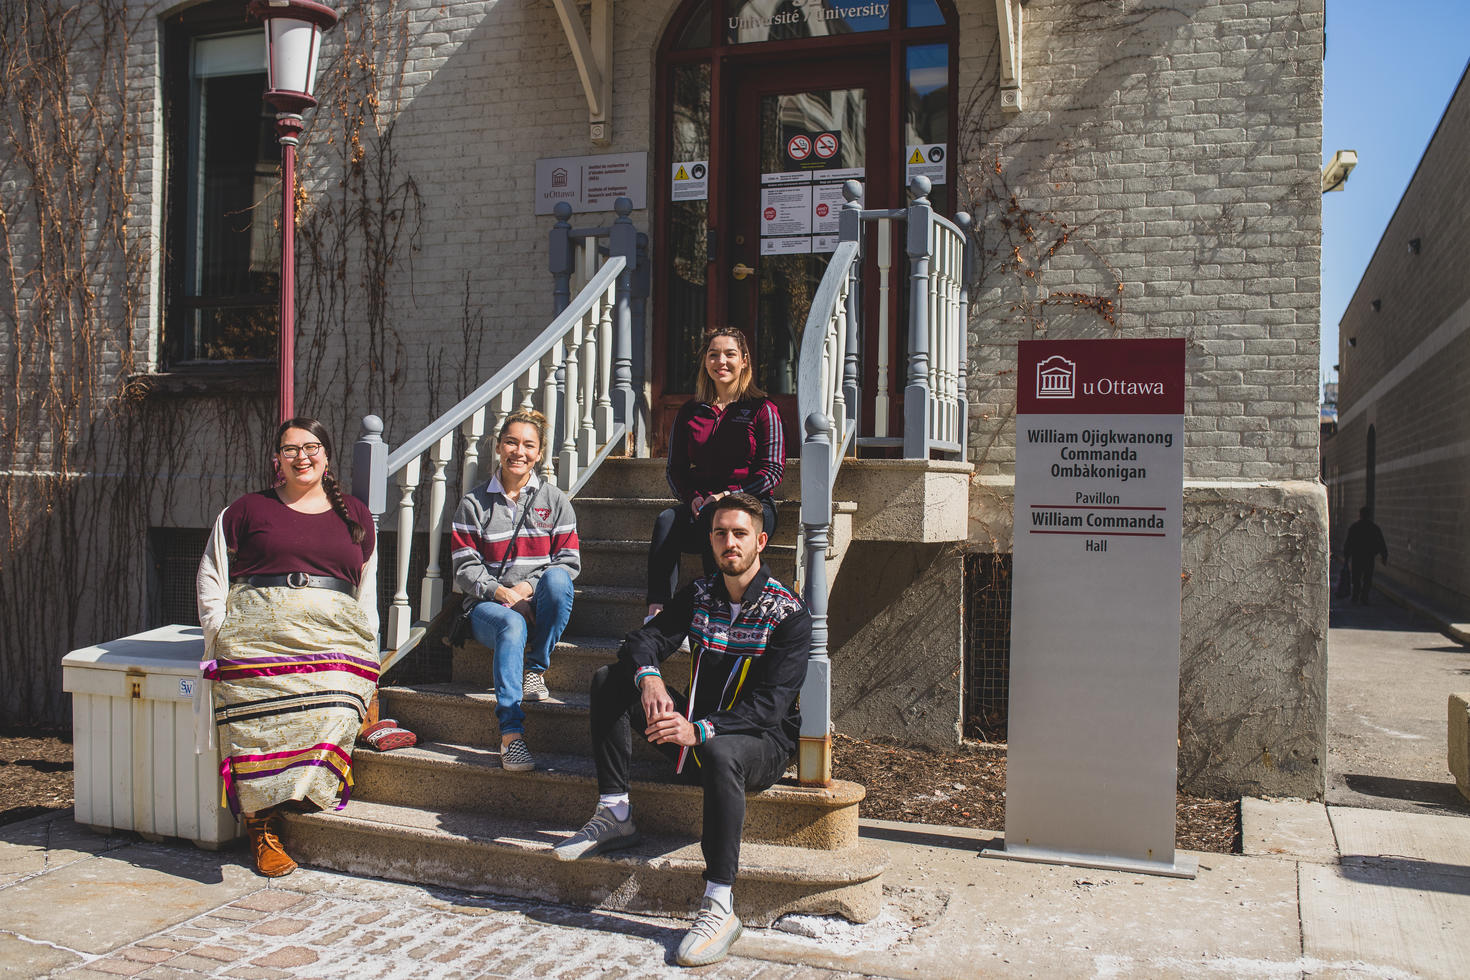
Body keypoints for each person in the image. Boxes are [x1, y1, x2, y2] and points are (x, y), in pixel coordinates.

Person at [555, 493, 811, 968]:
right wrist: (649, 676)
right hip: (693, 728)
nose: (728, 542)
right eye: (719, 533)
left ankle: (719, 905)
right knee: (611, 680)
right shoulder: (701, 593)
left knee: (721, 753)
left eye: (739, 533)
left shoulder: (788, 613)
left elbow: (769, 707)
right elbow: (643, 639)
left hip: (759, 745)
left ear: (761, 541)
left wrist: (700, 730)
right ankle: (615, 812)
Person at [197, 417, 381, 878]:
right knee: (254, 720)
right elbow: (212, 573)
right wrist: (218, 633)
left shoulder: (354, 514)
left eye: (312, 446)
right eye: (291, 448)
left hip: (332, 634)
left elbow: (368, 587)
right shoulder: (247, 509)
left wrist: (371, 651)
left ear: (327, 455)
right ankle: (262, 827)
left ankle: (302, 791)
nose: (303, 456)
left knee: (339, 700)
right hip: (254, 636)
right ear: (276, 459)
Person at [450, 409, 580, 773]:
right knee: (512, 625)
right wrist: (502, 594)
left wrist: (525, 588)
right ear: (498, 447)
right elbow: (464, 568)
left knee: (557, 581)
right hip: (488, 609)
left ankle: (535, 667)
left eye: (528, 445)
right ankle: (511, 735)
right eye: (511, 442)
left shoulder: (555, 502)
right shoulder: (474, 504)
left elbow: (569, 562)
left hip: (536, 601)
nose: (518, 451)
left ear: (539, 454)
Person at [648, 327, 784, 621]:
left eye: (730, 354)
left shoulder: (762, 409)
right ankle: (657, 614)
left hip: (754, 504)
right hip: (704, 505)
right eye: (713, 355)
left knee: (718, 518)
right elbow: (676, 470)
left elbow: (772, 472)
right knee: (667, 520)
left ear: (745, 360)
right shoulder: (691, 411)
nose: (721, 361)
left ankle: (717, 613)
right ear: (705, 362)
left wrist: (727, 496)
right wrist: (693, 498)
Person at [1344, 506, 1388, 605]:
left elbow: (1349, 542)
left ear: (1360, 515)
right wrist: (1384, 556)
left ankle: (1355, 595)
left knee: (1356, 577)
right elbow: (1381, 542)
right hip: (1369, 557)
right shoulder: (1374, 528)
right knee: (1367, 577)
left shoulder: (1355, 527)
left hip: (1357, 557)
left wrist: (1346, 556)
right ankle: (1364, 597)